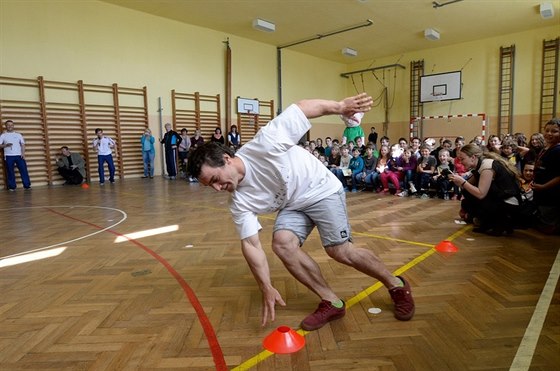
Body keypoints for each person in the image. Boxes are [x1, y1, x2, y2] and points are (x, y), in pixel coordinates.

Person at [187, 93, 415, 331]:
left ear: (226, 159)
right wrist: (266, 286)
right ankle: (331, 301)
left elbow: (301, 109)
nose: (216, 188)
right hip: (293, 203)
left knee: (339, 251)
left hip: (320, 189)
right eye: (209, 186)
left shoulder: (264, 144)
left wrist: (339, 106)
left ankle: (395, 284)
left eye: (215, 179)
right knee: (282, 244)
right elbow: (251, 245)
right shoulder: (238, 201)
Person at [450, 143, 523, 236]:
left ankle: (500, 223)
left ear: (473, 157)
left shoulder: (487, 166)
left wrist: (463, 182)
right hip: (500, 198)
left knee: (472, 196)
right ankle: (489, 223)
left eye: (462, 159)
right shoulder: (480, 165)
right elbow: (468, 186)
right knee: (467, 195)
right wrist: (458, 181)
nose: (461, 162)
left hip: (508, 202)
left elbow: (481, 194)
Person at [533, 118, 560, 234]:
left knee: (549, 227)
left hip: (551, 194)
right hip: (541, 193)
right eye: (547, 130)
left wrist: (544, 186)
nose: (549, 134)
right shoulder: (546, 148)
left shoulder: (558, 150)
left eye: (554, 131)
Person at [0, 120, 31, 191]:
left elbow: (22, 145)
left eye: (11, 125)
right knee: (10, 171)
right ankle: (12, 187)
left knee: (24, 170)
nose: (10, 126)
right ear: (6, 126)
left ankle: (27, 186)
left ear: (13, 126)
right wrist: (5, 145)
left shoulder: (18, 135)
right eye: (8, 125)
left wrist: (23, 154)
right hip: (8, 156)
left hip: (19, 155)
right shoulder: (3, 135)